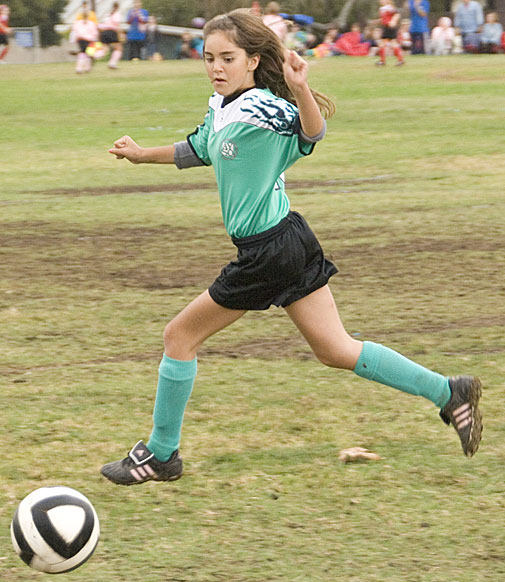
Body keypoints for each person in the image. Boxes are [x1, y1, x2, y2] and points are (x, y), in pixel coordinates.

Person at [101, 9, 482, 487]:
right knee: (335, 349)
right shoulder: (222, 105)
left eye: (227, 58)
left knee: (179, 337)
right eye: (209, 58)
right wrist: (141, 154)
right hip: (289, 240)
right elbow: (199, 148)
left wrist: (301, 88)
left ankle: (161, 455)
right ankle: (449, 392)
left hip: (268, 252)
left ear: (253, 60)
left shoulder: (264, 109)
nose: (216, 67)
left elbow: (311, 132)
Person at [375, 0, 405, 66]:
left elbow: (397, 14)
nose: (381, 1)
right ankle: (400, 60)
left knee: (388, 43)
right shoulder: (382, 8)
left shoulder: (389, 7)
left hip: (389, 27)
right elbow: (384, 18)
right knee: (388, 43)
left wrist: (393, 20)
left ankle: (383, 61)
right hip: (386, 27)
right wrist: (377, 21)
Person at [72, 9, 99, 74]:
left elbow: (75, 30)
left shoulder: (78, 22)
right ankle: (86, 68)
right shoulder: (91, 23)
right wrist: (95, 40)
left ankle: (80, 68)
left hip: (80, 39)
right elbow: (95, 33)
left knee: (82, 53)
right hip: (89, 40)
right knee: (89, 54)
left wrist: (75, 39)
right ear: (88, 16)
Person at [98, 1, 123, 69]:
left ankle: (93, 55)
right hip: (111, 32)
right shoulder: (117, 14)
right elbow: (116, 26)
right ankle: (112, 64)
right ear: (118, 7)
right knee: (119, 48)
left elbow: (102, 24)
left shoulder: (108, 14)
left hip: (104, 32)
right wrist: (120, 35)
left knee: (105, 50)